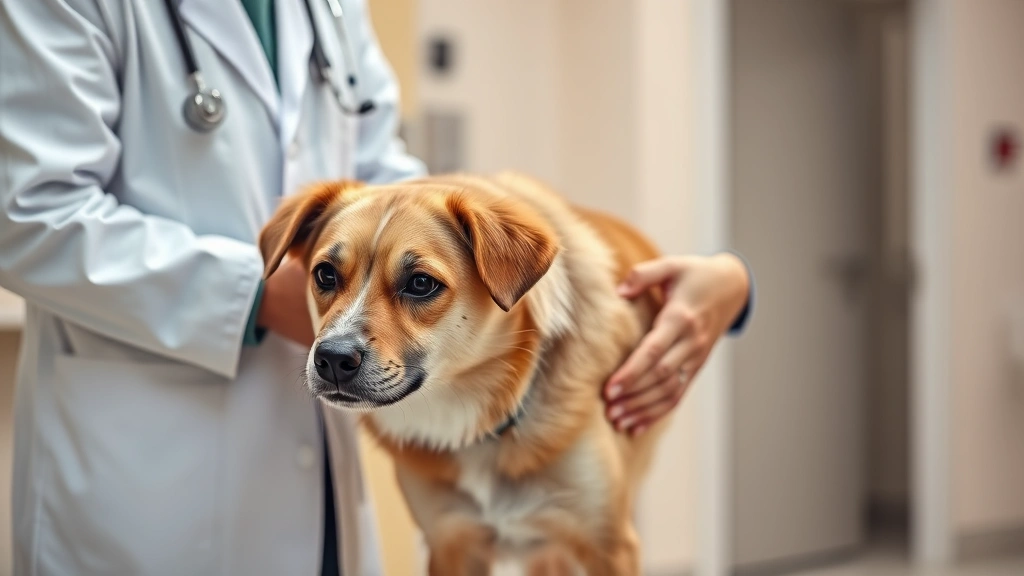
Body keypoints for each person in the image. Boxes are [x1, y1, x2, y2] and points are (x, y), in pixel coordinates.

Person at [0, 1, 752, 575]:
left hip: (324, 466)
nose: (349, 329)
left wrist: (730, 287)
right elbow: (27, 213)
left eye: (416, 288)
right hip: (146, 471)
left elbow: (389, 180)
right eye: (335, 282)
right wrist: (256, 294)